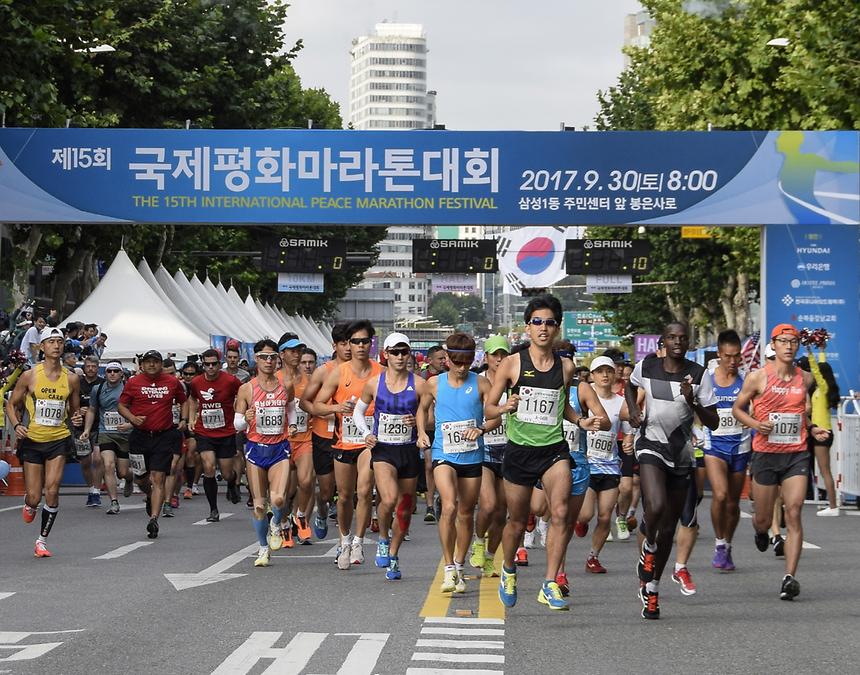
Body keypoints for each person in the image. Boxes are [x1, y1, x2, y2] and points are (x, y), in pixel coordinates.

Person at [485, 294, 606, 611]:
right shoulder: (512, 364)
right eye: (537, 321)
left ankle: (550, 582)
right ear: (527, 327)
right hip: (520, 451)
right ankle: (508, 570)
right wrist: (505, 407)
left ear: (557, 328)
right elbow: (489, 407)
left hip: (554, 450)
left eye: (549, 322)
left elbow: (562, 406)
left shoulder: (565, 367)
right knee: (516, 521)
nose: (543, 327)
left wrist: (580, 421)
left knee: (562, 513)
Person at [626, 322, 718, 619]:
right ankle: (649, 547)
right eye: (672, 337)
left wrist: (693, 401)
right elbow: (629, 385)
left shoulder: (699, 374)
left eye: (682, 338)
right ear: (663, 341)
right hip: (650, 444)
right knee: (655, 505)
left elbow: (714, 421)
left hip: (681, 454)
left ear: (688, 342)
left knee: (669, 528)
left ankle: (652, 590)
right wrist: (634, 410)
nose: (677, 342)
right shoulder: (647, 367)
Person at [732, 323, 830, 600]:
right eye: (783, 341)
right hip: (765, 454)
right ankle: (761, 531)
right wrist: (755, 424)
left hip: (796, 454)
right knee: (763, 519)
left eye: (793, 341)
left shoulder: (805, 379)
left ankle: (790, 577)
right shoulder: (757, 377)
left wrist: (812, 428)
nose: (788, 346)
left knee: (794, 511)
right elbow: (738, 409)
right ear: (773, 345)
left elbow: (801, 414)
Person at [417, 332, 500, 595]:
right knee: (449, 505)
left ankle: (460, 565)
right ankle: (449, 567)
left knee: (465, 513)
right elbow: (422, 409)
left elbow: (496, 416)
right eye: (457, 362)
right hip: (444, 454)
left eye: (467, 362)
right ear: (447, 359)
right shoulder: (434, 383)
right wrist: (421, 432)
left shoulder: (482, 383)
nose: (462, 368)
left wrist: (482, 428)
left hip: (472, 456)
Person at [354, 332, 427, 581]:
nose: (399, 356)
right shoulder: (374, 384)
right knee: (388, 498)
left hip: (408, 450)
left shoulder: (419, 384)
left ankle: (394, 556)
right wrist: (366, 433)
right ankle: (383, 538)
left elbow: (431, 417)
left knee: (405, 510)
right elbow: (358, 412)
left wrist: (418, 424)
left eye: (404, 352)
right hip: (383, 449)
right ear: (385, 354)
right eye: (395, 352)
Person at [5, 326, 82, 557]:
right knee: (34, 496)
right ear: (42, 346)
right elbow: (11, 404)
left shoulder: (72, 378)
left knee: (52, 490)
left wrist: (77, 417)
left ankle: (42, 541)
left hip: (59, 439)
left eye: (60, 342)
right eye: (51, 342)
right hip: (33, 440)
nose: (56, 346)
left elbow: (74, 410)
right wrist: (17, 425)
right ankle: (30, 504)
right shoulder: (30, 376)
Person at [312, 320, 383, 569]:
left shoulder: (381, 372)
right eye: (355, 341)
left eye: (365, 341)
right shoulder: (338, 373)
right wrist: (336, 407)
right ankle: (344, 540)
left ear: (371, 344)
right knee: (343, 496)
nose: (360, 346)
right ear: (348, 345)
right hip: (344, 442)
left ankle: (358, 542)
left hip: (369, 442)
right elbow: (317, 405)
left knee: (364, 491)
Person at [234, 339, 296, 567]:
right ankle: (262, 548)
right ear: (256, 359)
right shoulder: (247, 388)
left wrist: (292, 424)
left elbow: (290, 407)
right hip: (255, 450)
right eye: (263, 357)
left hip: (279, 448)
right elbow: (237, 423)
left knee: (278, 498)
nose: (268, 361)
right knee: (259, 505)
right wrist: (246, 419)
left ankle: (276, 525)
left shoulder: (285, 385)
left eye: (272, 357)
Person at [118, 350, 188, 539]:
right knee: (141, 479)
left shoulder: (172, 382)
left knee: (158, 478)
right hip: (139, 437)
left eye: (155, 362)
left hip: (163, 436)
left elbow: (184, 401)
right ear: (142, 365)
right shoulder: (133, 382)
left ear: (160, 364)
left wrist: (184, 419)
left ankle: (154, 519)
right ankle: (149, 495)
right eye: (148, 362)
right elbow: (121, 405)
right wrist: (132, 418)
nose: (151, 365)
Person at [576, 356, 633, 575]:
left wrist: (629, 441)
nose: (605, 375)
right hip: (588, 464)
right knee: (585, 514)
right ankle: (580, 522)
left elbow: (628, 431)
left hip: (610, 465)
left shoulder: (621, 402)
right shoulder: (584, 397)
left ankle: (593, 557)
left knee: (605, 516)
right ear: (592, 375)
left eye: (608, 371)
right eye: (600, 371)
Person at [703, 330, 752, 572]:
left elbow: (757, 407)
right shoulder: (708, 379)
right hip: (714, 446)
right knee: (720, 495)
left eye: (736, 356)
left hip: (740, 446)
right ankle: (719, 543)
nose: (733, 361)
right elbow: (695, 408)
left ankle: (728, 544)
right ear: (719, 354)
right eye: (728, 356)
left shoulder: (747, 379)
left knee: (732, 503)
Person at [300, 322, 352, 540]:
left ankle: (344, 538)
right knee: (327, 491)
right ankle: (322, 511)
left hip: (351, 438)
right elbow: (304, 402)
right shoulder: (323, 371)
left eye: (351, 342)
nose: (348, 348)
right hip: (324, 436)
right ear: (334, 346)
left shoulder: (364, 371)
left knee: (348, 492)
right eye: (343, 343)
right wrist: (325, 411)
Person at [469, 335, 511, 578]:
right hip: (483, 448)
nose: (499, 358)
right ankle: (478, 541)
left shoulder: (514, 382)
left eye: (504, 354)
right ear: (486, 357)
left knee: (502, 512)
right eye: (495, 354)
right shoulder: (479, 382)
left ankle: (490, 556)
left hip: (509, 450)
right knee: (488, 505)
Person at [188, 348, 242, 522]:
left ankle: (232, 483)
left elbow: (243, 395)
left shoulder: (230, 381)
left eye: (214, 364)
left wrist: (240, 415)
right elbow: (192, 399)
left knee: (226, 473)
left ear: (220, 364)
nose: (210, 367)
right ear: (203, 365)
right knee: (209, 467)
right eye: (207, 364)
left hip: (226, 432)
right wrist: (191, 418)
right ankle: (213, 509)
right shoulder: (196, 382)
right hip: (204, 431)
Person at [81, 361, 133, 514]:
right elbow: (92, 409)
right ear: (105, 373)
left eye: (116, 371)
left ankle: (129, 478)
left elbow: (138, 410)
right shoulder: (98, 389)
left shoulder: (129, 389)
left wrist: (129, 424)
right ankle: (114, 502)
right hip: (106, 432)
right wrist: (87, 429)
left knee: (122, 472)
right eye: (109, 371)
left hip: (124, 434)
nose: (112, 374)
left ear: (121, 374)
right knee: (108, 465)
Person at [277, 332, 314, 543]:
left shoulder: (310, 381)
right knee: (283, 490)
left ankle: (300, 514)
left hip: (304, 438)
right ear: (282, 354)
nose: (297, 354)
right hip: (280, 441)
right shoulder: (274, 380)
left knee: (306, 481)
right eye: (292, 351)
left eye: (299, 350)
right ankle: (283, 524)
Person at [797, 341, 841, 516]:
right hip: (820, 431)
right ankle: (831, 505)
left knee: (825, 471)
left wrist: (809, 351)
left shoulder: (823, 389)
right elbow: (821, 367)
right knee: (823, 470)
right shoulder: (822, 390)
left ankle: (833, 506)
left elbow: (816, 370)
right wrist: (822, 350)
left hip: (822, 433)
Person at [76, 355, 105, 507]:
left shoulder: (103, 383)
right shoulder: (77, 383)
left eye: (94, 366)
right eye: (88, 366)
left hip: (99, 425)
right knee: (85, 462)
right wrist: (77, 410)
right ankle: (91, 488)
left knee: (98, 459)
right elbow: (69, 403)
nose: (91, 369)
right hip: (80, 427)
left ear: (98, 368)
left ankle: (96, 492)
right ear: (84, 368)